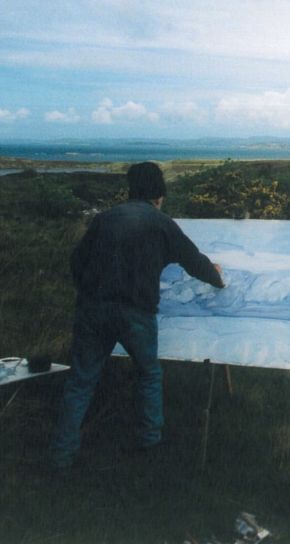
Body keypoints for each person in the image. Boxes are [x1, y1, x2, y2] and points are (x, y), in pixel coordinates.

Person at [49, 161, 225, 469]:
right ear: (159, 195)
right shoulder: (161, 222)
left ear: (132, 190)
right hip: (135, 314)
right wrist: (217, 278)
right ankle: (149, 443)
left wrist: (88, 292)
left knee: (81, 381)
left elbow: (77, 262)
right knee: (148, 374)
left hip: (93, 309)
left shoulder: (104, 218)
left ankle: (61, 455)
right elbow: (194, 261)